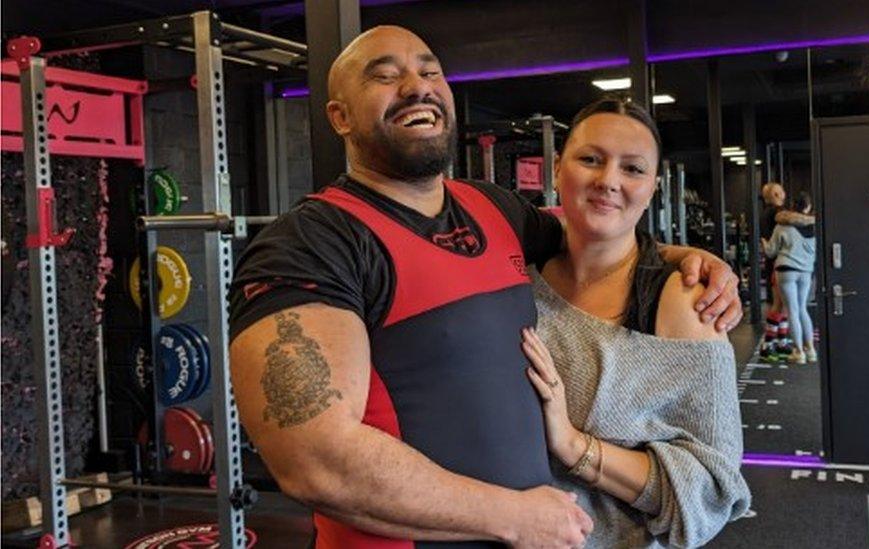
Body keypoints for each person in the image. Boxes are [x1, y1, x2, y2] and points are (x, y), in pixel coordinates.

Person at [228, 26, 742, 548]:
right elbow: (317, 464)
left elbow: (594, 233)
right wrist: (516, 517)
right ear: (339, 116)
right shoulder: (309, 244)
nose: (415, 86)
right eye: (385, 75)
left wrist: (691, 259)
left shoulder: (493, 210)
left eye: (430, 71)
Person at [519, 98, 751, 548]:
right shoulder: (518, 271)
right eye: (590, 159)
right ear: (555, 170)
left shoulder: (683, 300)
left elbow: (714, 489)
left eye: (632, 169)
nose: (608, 181)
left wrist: (573, 447)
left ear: (653, 188)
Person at [759, 182, 813, 361]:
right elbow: (792, 220)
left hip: (782, 267)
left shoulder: (770, 216)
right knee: (786, 307)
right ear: (775, 195)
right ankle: (771, 345)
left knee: (786, 308)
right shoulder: (778, 215)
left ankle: (782, 343)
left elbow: (769, 247)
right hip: (788, 267)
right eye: (780, 191)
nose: (783, 193)